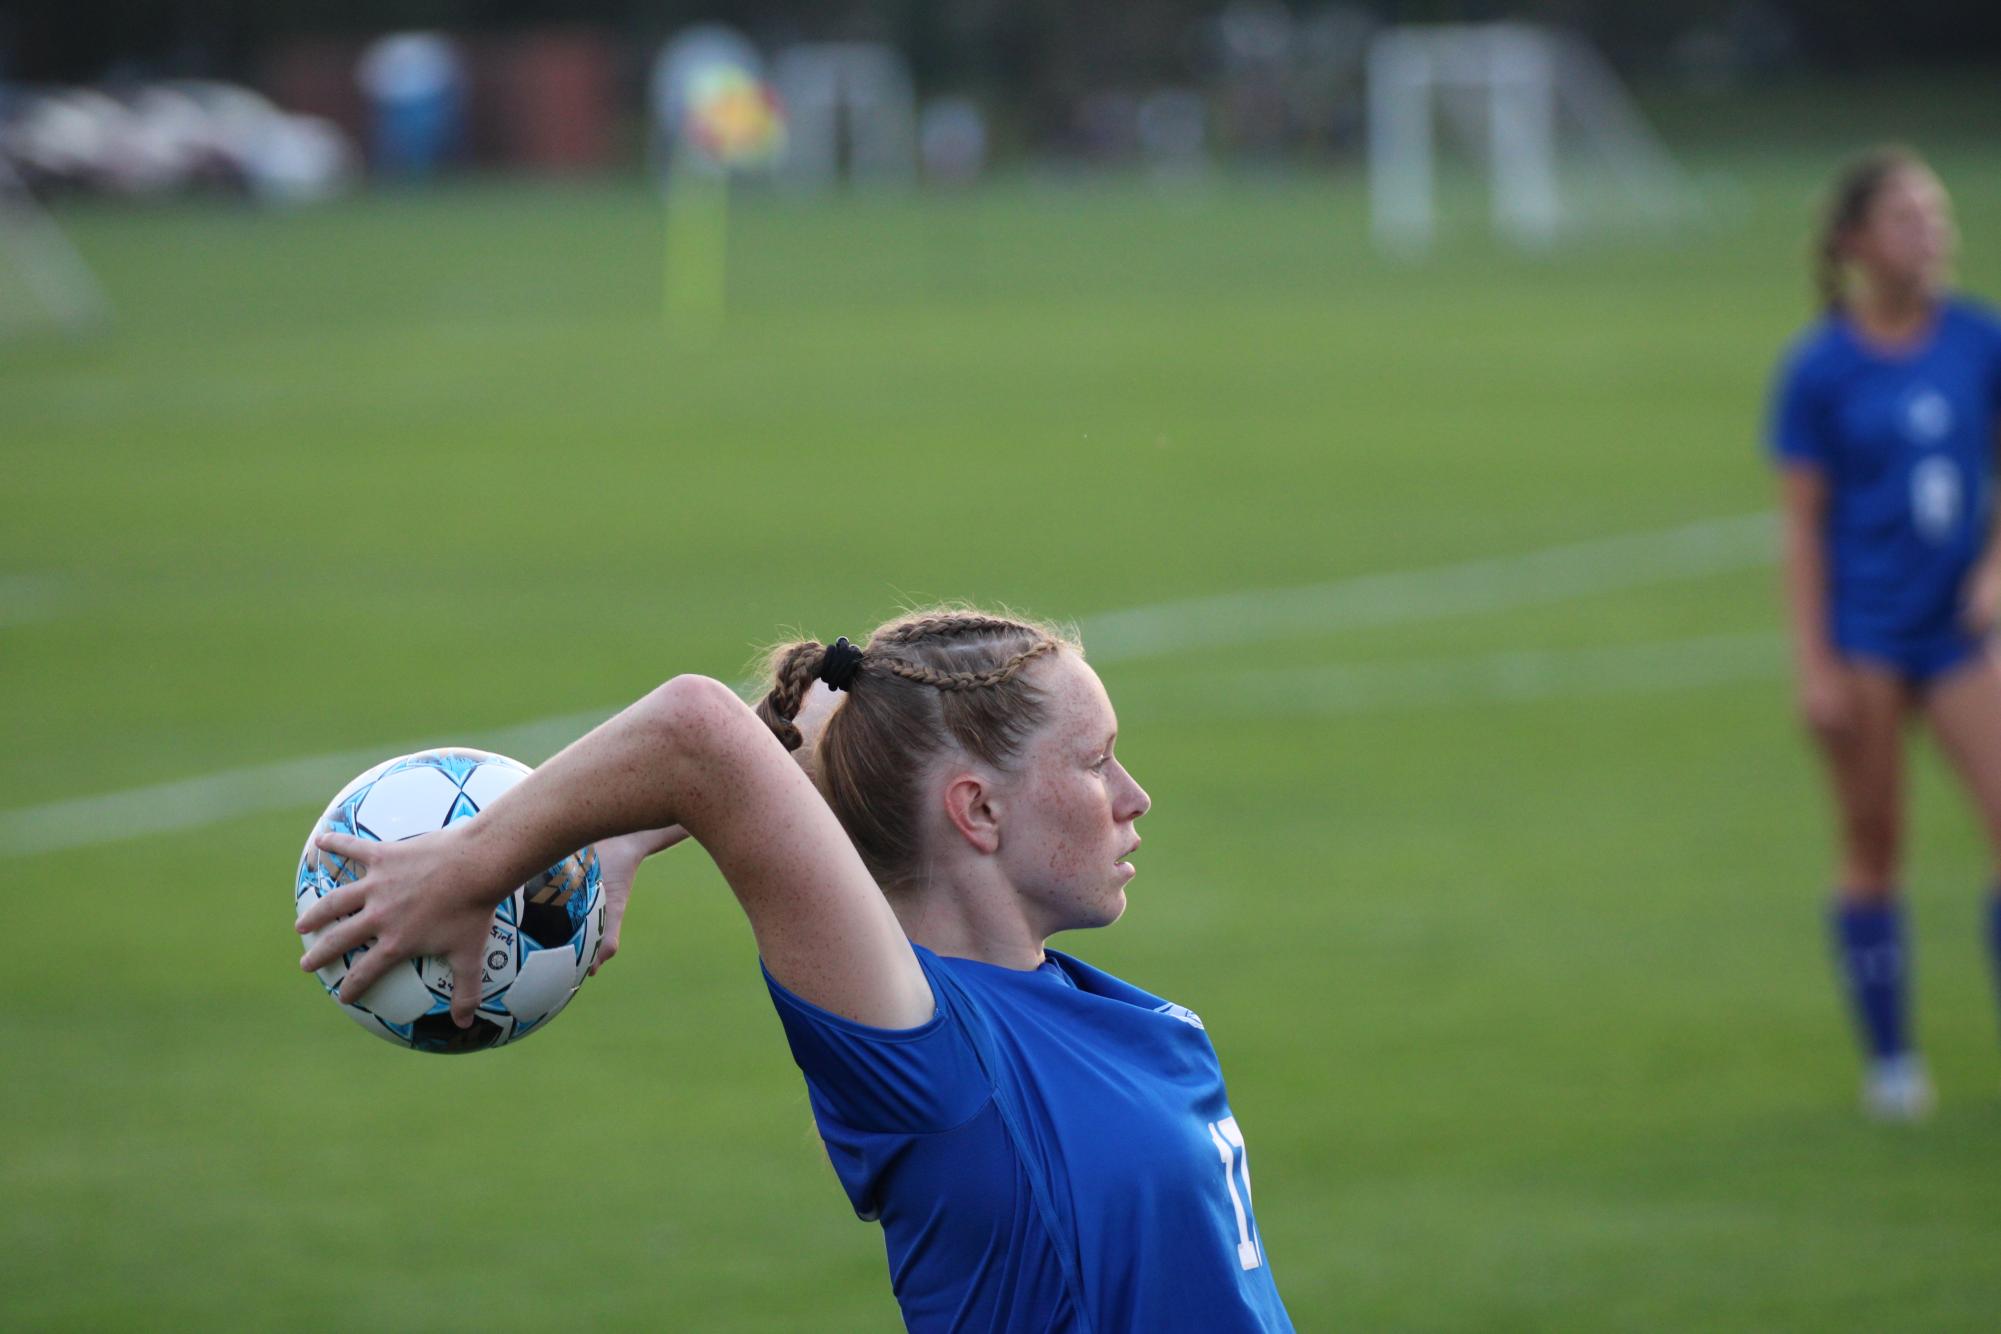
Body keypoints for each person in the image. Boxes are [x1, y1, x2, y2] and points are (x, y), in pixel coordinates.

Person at [297, 608, 1294, 1331]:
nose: (1135, 795)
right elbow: (699, 733)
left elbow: (783, 725)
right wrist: (479, 864)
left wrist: (624, 842)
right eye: (1096, 759)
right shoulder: (933, 1058)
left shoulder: (1143, 1021)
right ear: (977, 810)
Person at [1768, 147, 2001, 1120]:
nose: (1931, 233)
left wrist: (1995, 571)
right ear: (1856, 242)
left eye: (1936, 215)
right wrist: (1814, 663)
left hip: (1958, 633)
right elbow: (1801, 528)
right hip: (1865, 634)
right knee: (1873, 840)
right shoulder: (1820, 367)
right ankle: (1893, 1063)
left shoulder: (1979, 341)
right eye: (1907, 217)